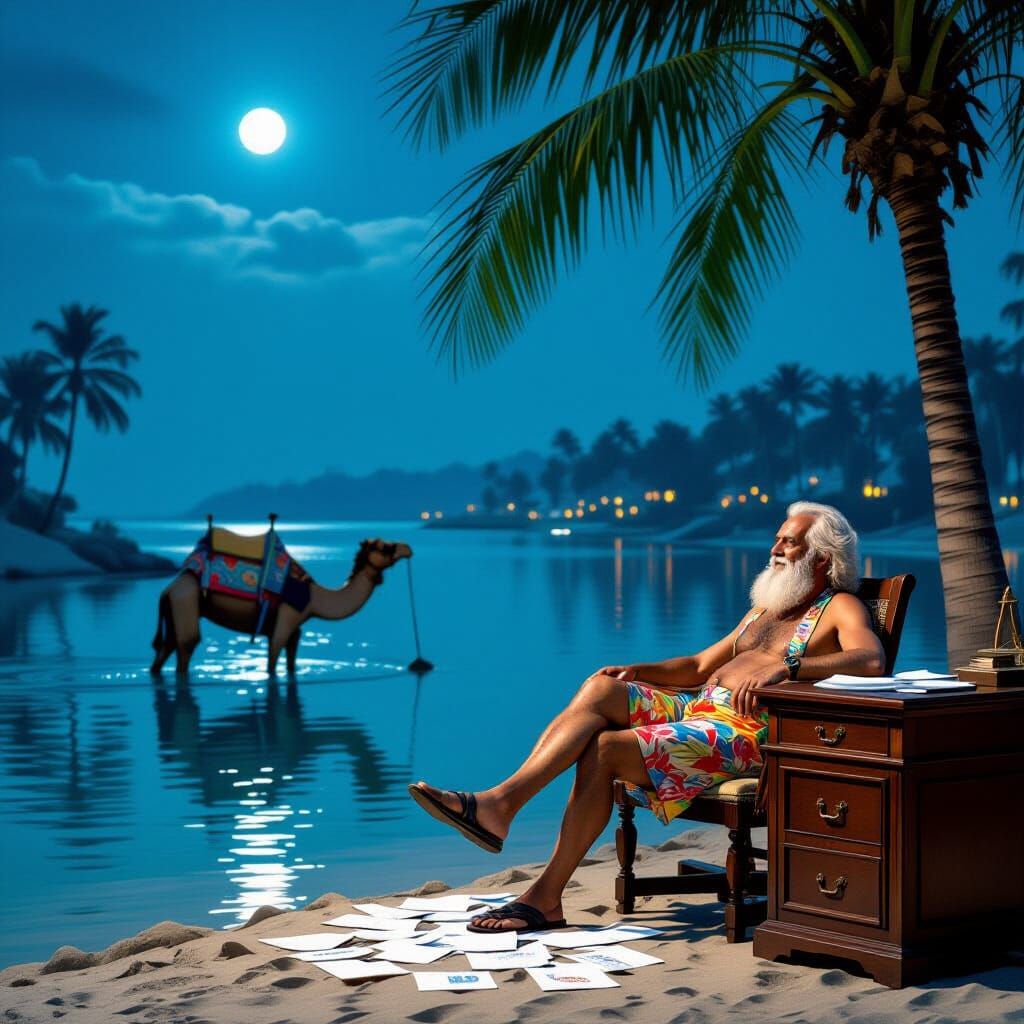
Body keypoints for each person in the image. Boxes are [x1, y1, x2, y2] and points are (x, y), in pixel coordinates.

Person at [408, 501, 884, 933]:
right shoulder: (766, 608)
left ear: (821, 559)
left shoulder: (837, 607)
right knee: (601, 689)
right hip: (700, 706)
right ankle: (499, 804)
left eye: (789, 541)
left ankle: (544, 897)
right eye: (778, 538)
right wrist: (638, 670)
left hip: (746, 732)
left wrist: (789, 666)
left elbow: (871, 659)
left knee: (607, 748)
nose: (776, 548)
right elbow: (700, 667)